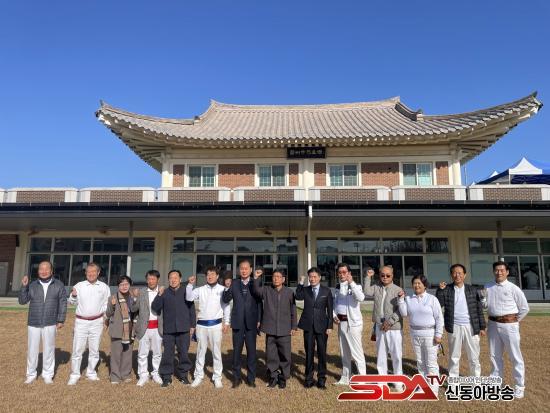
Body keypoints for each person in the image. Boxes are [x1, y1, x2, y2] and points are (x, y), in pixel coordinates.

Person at [481, 261, 529, 399]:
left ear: (507, 272)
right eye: (496, 270)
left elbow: (524, 308)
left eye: (502, 270)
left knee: (515, 356)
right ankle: (496, 383)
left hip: (510, 325)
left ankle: (519, 386)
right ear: (493, 271)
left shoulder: (513, 288)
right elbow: (485, 306)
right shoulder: (488, 286)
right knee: (494, 355)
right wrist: (483, 300)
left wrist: (513, 321)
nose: (499, 272)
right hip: (492, 324)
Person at [18, 261, 67, 384]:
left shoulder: (59, 285)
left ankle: (47, 374)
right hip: (34, 322)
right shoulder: (32, 285)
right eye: (41, 269)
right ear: (38, 271)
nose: (43, 271)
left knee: (49, 349)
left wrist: (60, 319)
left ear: (51, 271)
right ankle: (31, 374)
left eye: (46, 269)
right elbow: (22, 301)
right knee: (32, 350)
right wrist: (24, 286)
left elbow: (63, 303)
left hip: (50, 322)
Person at [436, 264, 486, 377]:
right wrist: (440, 290)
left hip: (471, 326)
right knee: (454, 356)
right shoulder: (446, 289)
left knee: (474, 357)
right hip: (454, 326)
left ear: (465, 275)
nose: (457, 275)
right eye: (454, 273)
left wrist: (482, 327)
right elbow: (439, 304)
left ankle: (475, 380)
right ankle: (454, 381)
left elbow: (478, 309)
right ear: (451, 275)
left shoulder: (472, 290)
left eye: (460, 273)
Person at [251, 268, 297, 389]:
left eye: (278, 277)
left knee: (285, 355)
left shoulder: (289, 292)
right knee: (271, 355)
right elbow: (256, 291)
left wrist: (293, 326)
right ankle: (273, 376)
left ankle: (283, 377)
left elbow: (293, 310)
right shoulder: (266, 290)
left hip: (285, 329)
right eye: (274, 276)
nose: (276, 279)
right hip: (270, 328)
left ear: (283, 279)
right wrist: (256, 278)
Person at [398, 274, 443, 395]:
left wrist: (438, 334)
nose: (417, 285)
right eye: (415, 283)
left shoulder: (432, 299)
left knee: (431, 362)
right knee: (420, 362)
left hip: (430, 334)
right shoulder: (409, 299)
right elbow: (404, 313)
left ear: (425, 285)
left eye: (419, 283)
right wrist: (401, 300)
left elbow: (439, 318)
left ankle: (433, 388)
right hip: (415, 333)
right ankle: (423, 386)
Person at [186, 266, 230, 388]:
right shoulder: (200, 289)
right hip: (201, 325)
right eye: (208, 274)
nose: (210, 276)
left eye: (212, 274)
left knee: (216, 352)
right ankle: (198, 375)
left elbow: (226, 306)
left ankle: (217, 377)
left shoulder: (222, 289)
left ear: (217, 276)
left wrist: (227, 322)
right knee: (200, 351)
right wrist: (190, 285)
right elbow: (189, 298)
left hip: (216, 325)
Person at [67, 262, 111, 385]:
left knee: (94, 349)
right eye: (88, 272)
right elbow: (71, 302)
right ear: (86, 273)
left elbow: (107, 304)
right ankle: (75, 374)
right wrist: (73, 295)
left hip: (97, 322)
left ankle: (91, 373)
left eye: (93, 271)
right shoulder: (79, 286)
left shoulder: (104, 287)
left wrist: (104, 318)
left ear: (98, 272)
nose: (91, 274)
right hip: (81, 321)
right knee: (77, 349)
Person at [222, 259, 262, 388]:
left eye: (246, 268)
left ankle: (251, 379)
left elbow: (260, 303)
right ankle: (236, 378)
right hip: (238, 322)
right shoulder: (234, 283)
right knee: (237, 352)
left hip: (251, 322)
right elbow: (226, 299)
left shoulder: (255, 282)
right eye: (242, 268)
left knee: (251, 352)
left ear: (251, 270)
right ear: (239, 270)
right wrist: (227, 287)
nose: (244, 271)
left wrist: (259, 319)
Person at [151, 270, 196, 387]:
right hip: (169, 329)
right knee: (168, 354)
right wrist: (159, 294)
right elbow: (155, 307)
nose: (173, 280)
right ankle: (166, 377)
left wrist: (192, 325)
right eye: (171, 278)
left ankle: (183, 375)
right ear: (168, 280)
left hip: (184, 328)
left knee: (184, 353)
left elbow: (192, 309)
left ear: (180, 279)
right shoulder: (164, 292)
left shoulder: (186, 291)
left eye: (176, 277)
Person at [363, 266, 404, 381]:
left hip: (394, 327)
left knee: (396, 355)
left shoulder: (398, 289)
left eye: (388, 275)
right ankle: (382, 379)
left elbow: (400, 310)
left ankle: (398, 380)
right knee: (381, 354)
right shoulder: (376, 287)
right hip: (379, 325)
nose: (385, 277)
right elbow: (366, 291)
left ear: (392, 276)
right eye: (382, 275)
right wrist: (368, 277)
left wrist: (390, 322)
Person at [295, 267, 333, 389]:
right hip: (308, 326)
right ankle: (309, 379)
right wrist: (301, 282)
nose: (312, 279)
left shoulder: (326, 291)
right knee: (309, 353)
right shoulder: (305, 290)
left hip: (322, 326)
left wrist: (330, 326)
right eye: (310, 277)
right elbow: (298, 296)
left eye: (315, 277)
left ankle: (321, 379)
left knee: (322, 353)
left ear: (319, 277)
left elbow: (330, 310)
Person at [332, 262, 366, 386]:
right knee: (344, 353)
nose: (342, 275)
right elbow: (334, 303)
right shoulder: (337, 287)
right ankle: (345, 377)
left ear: (349, 273)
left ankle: (362, 379)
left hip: (353, 324)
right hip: (341, 323)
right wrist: (334, 315)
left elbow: (361, 298)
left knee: (357, 353)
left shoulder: (356, 286)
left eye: (344, 272)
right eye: (339, 272)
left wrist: (351, 283)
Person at [105, 275, 138, 384]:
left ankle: (126, 374)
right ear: (118, 286)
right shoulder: (113, 298)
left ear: (130, 285)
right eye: (121, 284)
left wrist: (136, 299)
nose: (124, 286)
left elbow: (136, 310)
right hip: (117, 329)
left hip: (130, 329)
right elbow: (108, 314)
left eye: (126, 284)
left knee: (128, 353)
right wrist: (112, 305)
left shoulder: (133, 297)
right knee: (116, 354)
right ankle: (115, 376)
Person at [134, 270, 164, 386]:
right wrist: (135, 297)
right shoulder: (141, 292)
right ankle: (143, 375)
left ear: (157, 279)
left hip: (158, 327)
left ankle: (155, 373)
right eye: (149, 279)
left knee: (157, 352)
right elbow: (134, 309)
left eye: (153, 279)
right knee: (142, 353)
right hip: (144, 327)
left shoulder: (162, 291)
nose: (151, 281)